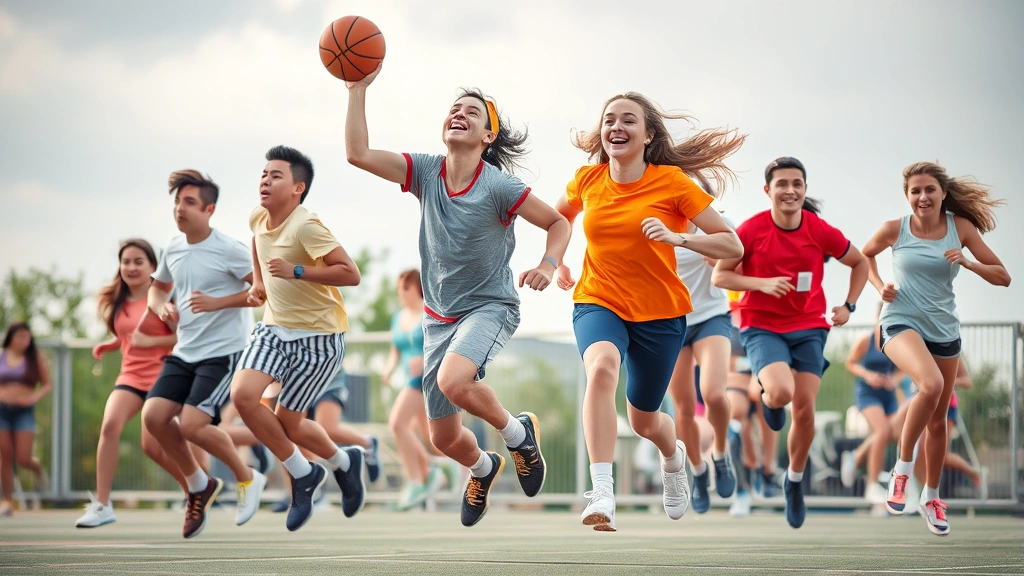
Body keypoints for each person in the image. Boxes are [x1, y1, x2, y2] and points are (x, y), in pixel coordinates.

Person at [345, 66, 571, 527]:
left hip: (490, 306)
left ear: (488, 136)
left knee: (454, 381)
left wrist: (548, 265)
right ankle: (483, 468)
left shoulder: (498, 186)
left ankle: (517, 433)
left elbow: (558, 222)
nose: (459, 114)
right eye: (454, 109)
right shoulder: (426, 171)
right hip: (437, 317)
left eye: (472, 112)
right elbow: (359, 153)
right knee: (443, 439)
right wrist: (357, 89)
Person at [555, 92, 744, 531]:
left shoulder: (673, 182)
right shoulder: (587, 179)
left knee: (644, 420)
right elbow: (560, 218)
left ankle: (672, 456)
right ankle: (602, 489)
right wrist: (557, 260)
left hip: (660, 314)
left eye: (628, 120)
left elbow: (732, 244)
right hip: (598, 299)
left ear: (648, 134)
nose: (616, 127)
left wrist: (680, 239)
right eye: (609, 120)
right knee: (601, 368)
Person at [713, 157, 869, 529]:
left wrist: (849, 305)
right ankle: (769, 399)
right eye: (782, 183)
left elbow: (860, 263)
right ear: (768, 190)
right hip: (761, 326)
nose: (790, 190)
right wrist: (761, 284)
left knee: (805, 410)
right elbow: (722, 276)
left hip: (810, 327)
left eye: (797, 183)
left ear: (804, 189)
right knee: (781, 393)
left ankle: (794, 481)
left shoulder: (818, 230)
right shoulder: (750, 231)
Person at [864, 161, 1009, 536]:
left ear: (943, 194)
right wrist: (879, 286)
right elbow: (864, 256)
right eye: (915, 191)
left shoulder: (959, 229)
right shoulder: (894, 229)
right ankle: (902, 470)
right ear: (907, 196)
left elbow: (1003, 277)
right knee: (929, 385)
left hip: (944, 330)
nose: (922, 197)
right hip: (900, 321)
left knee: (938, 421)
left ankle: (931, 497)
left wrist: (969, 261)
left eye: (929, 190)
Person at [230, 145, 365, 532]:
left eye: (276, 176)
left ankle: (342, 462)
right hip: (274, 327)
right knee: (243, 396)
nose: (265, 181)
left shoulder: (306, 225)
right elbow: (257, 239)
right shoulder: (258, 216)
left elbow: (350, 273)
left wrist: (297, 270)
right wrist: (258, 281)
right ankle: (303, 472)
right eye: (263, 174)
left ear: (298, 188)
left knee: (289, 422)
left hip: (319, 336)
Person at [142, 169, 265, 539]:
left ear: (209, 209)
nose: (180, 209)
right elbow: (158, 289)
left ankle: (247, 479)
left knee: (194, 425)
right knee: (154, 417)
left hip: (224, 352)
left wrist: (218, 303)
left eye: (190, 202)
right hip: (187, 350)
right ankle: (199, 484)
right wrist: (161, 306)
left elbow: (261, 293)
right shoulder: (173, 248)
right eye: (177, 202)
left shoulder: (230, 249)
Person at [76, 239, 187, 527]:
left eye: (139, 261)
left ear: (153, 266)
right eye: (126, 261)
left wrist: (152, 341)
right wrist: (110, 345)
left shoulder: (162, 298)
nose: (131, 267)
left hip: (162, 377)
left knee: (152, 448)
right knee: (110, 425)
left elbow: (183, 337)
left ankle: (195, 490)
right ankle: (102, 504)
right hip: (130, 376)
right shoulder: (118, 301)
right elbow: (127, 335)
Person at [665, 176, 739, 514]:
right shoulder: (658, 223)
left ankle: (721, 454)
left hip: (711, 315)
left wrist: (702, 236)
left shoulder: (722, 227)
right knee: (682, 406)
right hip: (672, 320)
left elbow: (723, 264)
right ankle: (697, 469)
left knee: (713, 393)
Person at [383, 269, 450, 510]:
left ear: (417, 289)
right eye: (399, 288)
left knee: (397, 424)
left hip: (425, 379)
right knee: (426, 435)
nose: (401, 293)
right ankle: (436, 473)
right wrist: (388, 370)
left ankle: (415, 481)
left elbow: (441, 342)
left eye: (405, 288)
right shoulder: (397, 318)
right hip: (406, 380)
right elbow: (395, 350)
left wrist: (423, 360)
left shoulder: (429, 311)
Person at [843, 302, 904, 503]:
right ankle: (872, 485)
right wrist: (868, 375)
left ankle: (857, 456)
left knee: (895, 434)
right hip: (868, 394)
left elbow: (903, 367)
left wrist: (894, 379)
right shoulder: (866, 341)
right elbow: (850, 363)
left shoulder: (897, 341)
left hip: (888, 395)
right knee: (882, 432)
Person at [0, 322, 51, 516]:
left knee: (22, 458)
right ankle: (7, 501)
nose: (24, 341)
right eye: (20, 336)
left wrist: (32, 397)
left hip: (24, 412)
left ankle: (36, 467)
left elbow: (47, 385)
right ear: (11, 337)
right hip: (2, 410)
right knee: (5, 456)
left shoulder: (33, 359)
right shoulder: (2, 356)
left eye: (28, 337)